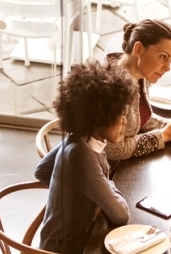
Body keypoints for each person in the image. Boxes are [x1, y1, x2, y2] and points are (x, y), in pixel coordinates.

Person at [34, 61, 136, 253]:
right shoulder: (82, 156)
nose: (125, 120)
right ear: (100, 117)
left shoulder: (76, 139)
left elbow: (41, 171)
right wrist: (105, 185)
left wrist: (73, 195)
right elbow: (121, 215)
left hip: (53, 241)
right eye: (120, 114)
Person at [104, 19, 171, 161]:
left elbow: (140, 119)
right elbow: (114, 150)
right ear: (138, 49)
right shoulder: (113, 91)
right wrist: (165, 135)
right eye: (163, 57)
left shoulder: (139, 72)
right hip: (107, 172)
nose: (168, 67)